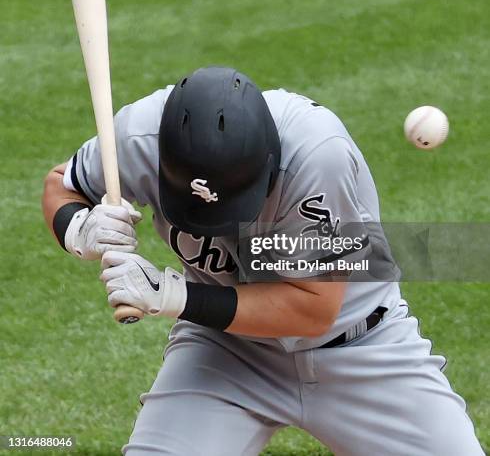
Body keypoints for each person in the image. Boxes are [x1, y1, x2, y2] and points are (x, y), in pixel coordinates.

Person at [42, 66, 484, 455]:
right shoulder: (140, 136)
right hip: (228, 352)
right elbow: (62, 183)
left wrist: (174, 295)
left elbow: (311, 309)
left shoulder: (317, 155)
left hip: (361, 352)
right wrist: (78, 228)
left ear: (269, 164)